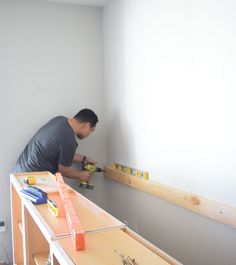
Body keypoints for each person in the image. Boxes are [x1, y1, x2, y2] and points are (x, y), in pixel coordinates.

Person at [12, 108, 98, 182]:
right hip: (31, 179)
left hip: (18, 171)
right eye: (91, 130)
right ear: (87, 125)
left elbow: (60, 151)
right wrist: (81, 175)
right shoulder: (69, 140)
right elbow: (64, 171)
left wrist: (84, 159)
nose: (89, 134)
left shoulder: (59, 119)